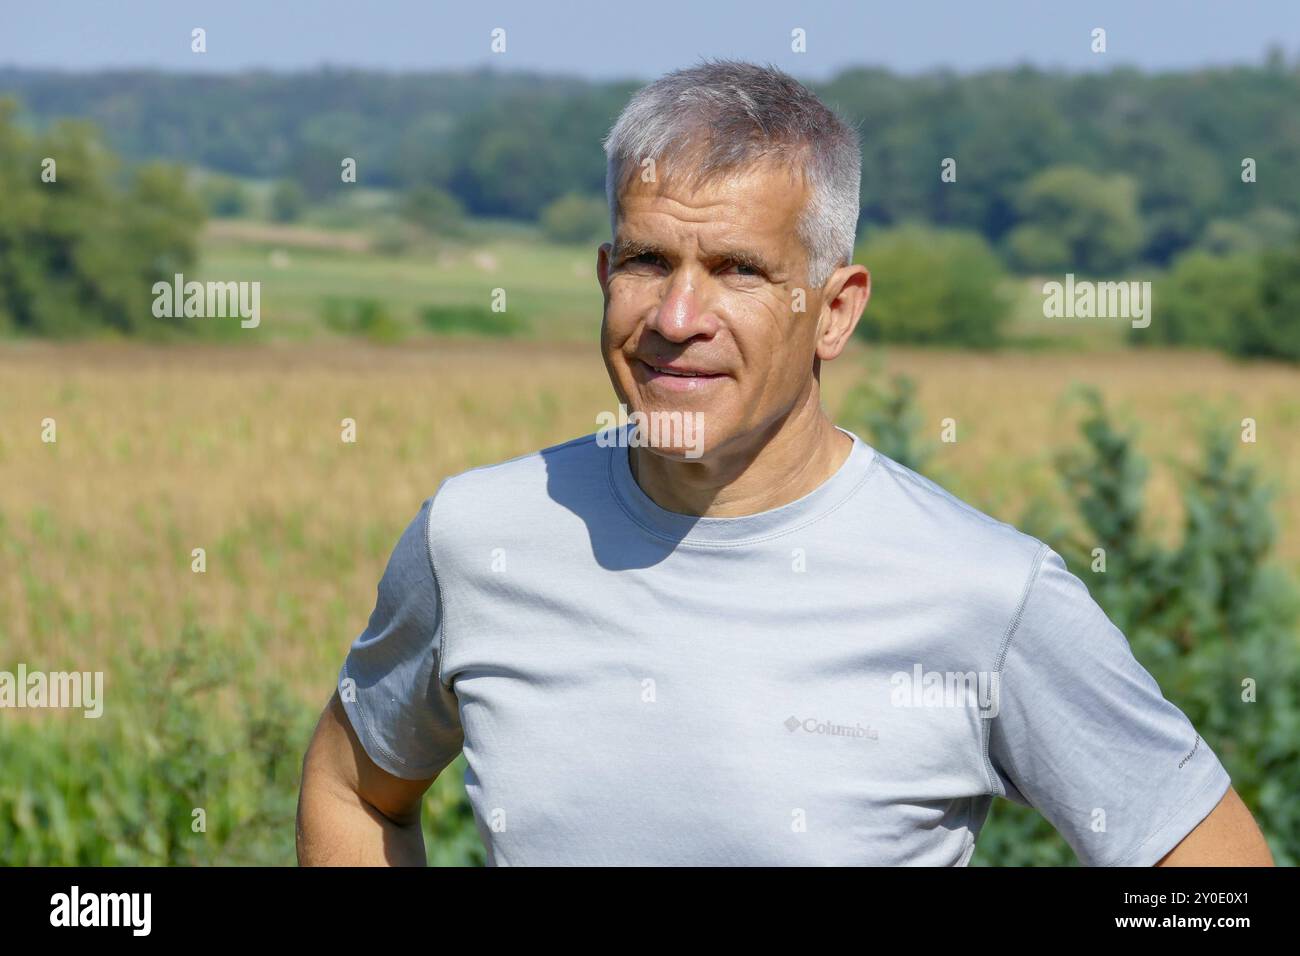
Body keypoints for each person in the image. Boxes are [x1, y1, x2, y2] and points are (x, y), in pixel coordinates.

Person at [296, 59, 1273, 867]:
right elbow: (354, 788)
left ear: (835, 308)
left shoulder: (980, 592)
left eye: (737, 271)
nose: (676, 321)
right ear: (603, 274)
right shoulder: (480, 537)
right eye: (646, 263)